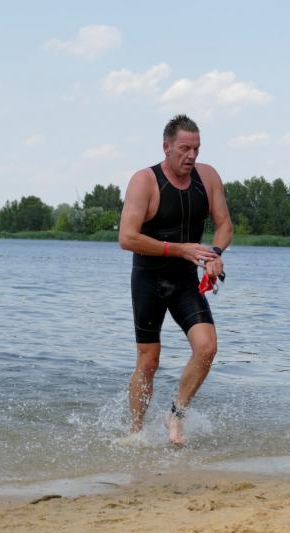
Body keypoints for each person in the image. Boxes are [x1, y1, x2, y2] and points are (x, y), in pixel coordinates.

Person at [119, 114, 233, 446]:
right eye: (185, 148)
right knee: (148, 361)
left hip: (184, 280)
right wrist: (179, 249)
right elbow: (127, 238)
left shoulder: (207, 177)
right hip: (149, 280)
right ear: (166, 147)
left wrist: (213, 253)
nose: (191, 155)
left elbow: (225, 226)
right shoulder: (145, 181)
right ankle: (136, 434)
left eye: (196, 148)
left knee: (207, 347)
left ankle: (176, 413)